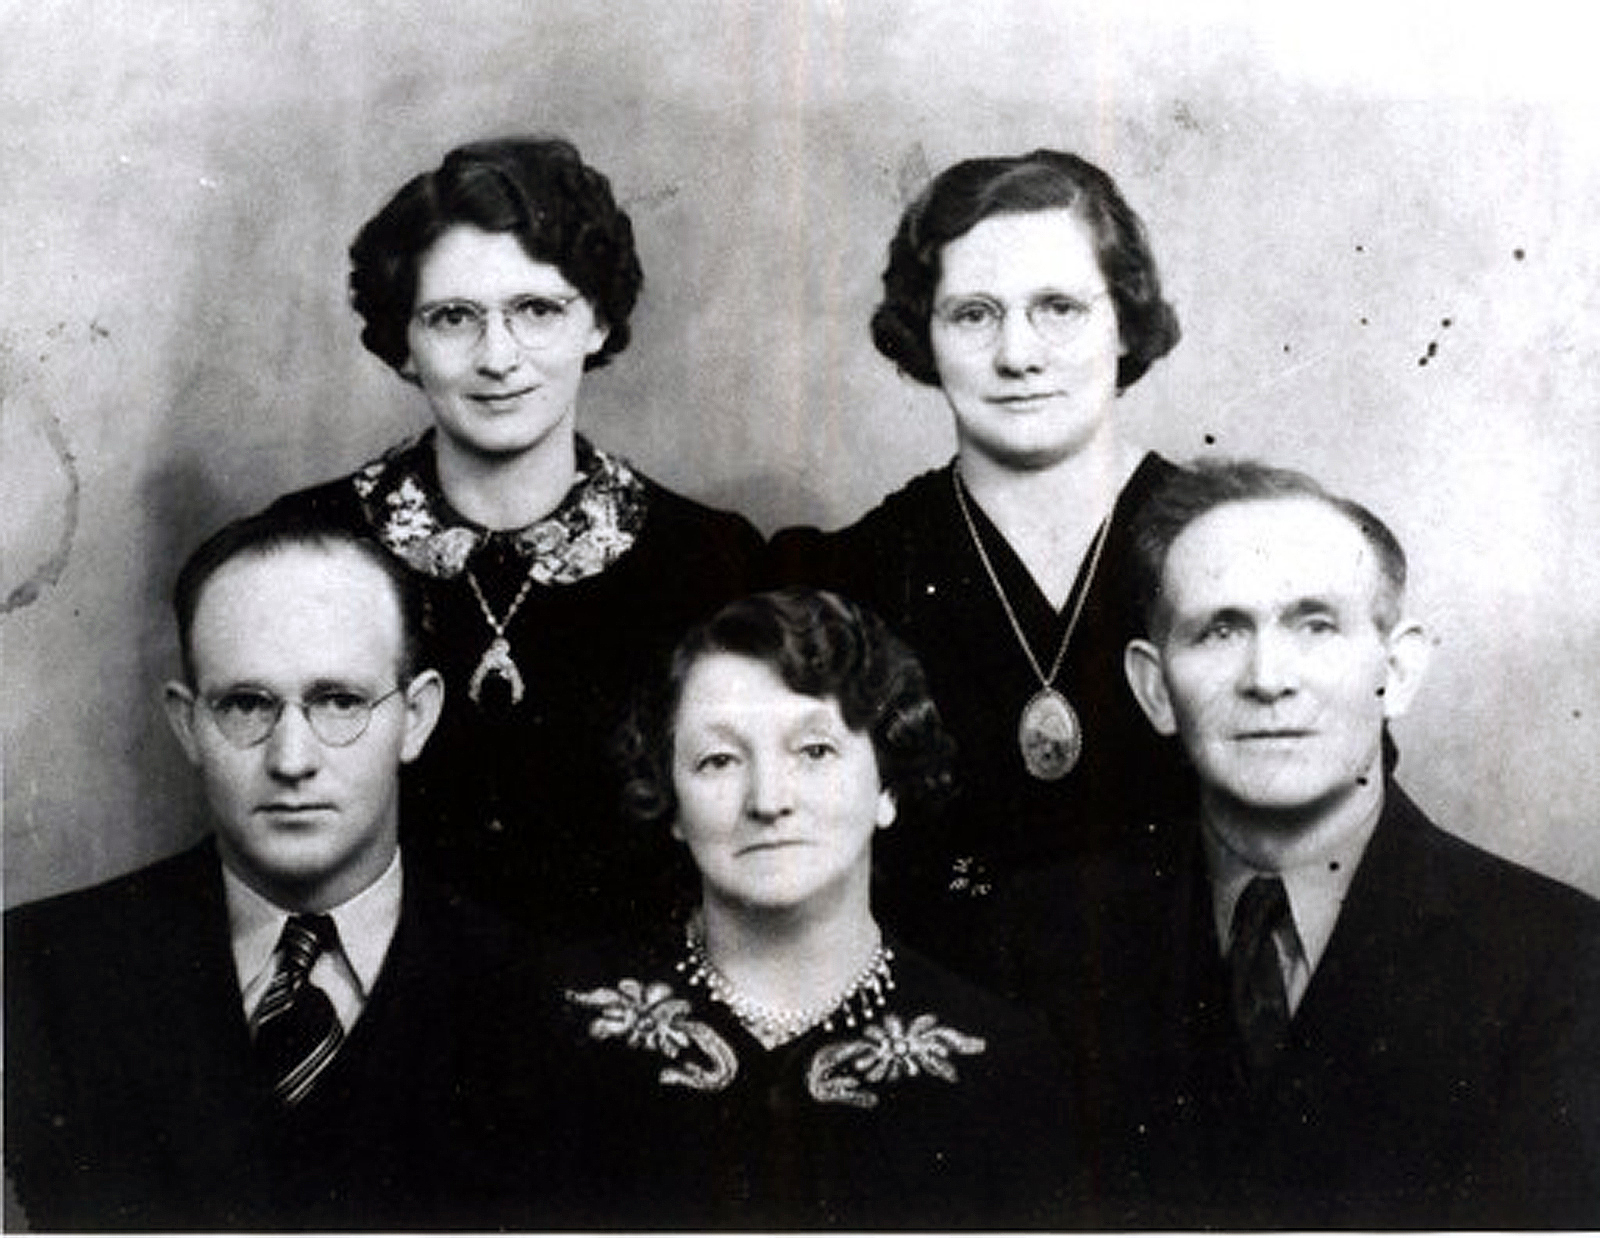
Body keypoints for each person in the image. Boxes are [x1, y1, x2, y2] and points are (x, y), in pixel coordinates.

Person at [997, 460, 1600, 1227]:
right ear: (1155, 689)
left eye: (1315, 626)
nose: (1268, 678)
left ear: (1398, 671)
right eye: (1221, 631)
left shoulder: (1563, 962)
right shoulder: (1041, 942)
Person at [269, 136, 763, 940]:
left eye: (538, 310)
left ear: (598, 322)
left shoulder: (711, 562)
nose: (498, 358)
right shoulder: (304, 547)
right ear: (403, 343)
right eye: (453, 317)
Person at [4, 512, 541, 1230]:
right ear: (188, 724)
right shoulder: (33, 973)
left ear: (415, 717)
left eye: (340, 702)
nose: (292, 760)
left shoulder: (538, 997)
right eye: (246, 705)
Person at [515, 589, 1082, 1229]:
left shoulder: (1005, 1066)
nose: (768, 800)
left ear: (887, 788)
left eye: (814, 751)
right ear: (670, 800)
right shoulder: (553, 1028)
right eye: (719, 760)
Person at [767, 149, 1190, 979]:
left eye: (1059, 308)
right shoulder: (848, 577)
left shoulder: (1228, 548)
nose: (1017, 355)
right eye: (973, 315)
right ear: (923, 334)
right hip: (932, 1021)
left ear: (1124, 321)